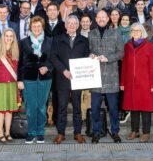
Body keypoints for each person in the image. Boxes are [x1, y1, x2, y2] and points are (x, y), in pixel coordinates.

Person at [50, 15, 89, 144]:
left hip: (78, 79)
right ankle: (61, 133)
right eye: (69, 23)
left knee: (77, 107)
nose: (72, 25)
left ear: (78, 26)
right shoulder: (57, 39)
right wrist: (63, 70)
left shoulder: (84, 40)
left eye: (74, 23)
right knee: (62, 107)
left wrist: (91, 57)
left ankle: (77, 133)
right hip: (62, 78)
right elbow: (53, 57)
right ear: (65, 25)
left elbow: (86, 57)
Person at [89, 10, 124, 143]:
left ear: (108, 18)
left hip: (111, 76)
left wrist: (108, 58)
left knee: (114, 109)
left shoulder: (116, 33)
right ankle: (96, 132)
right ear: (96, 19)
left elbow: (121, 53)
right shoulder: (91, 33)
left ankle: (115, 131)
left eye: (104, 17)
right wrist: (91, 55)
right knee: (95, 108)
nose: (101, 19)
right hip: (95, 77)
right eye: (99, 17)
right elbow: (89, 50)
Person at [120, 23, 153, 143]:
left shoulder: (149, 46)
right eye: (133, 30)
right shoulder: (127, 46)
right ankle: (134, 131)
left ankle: (146, 133)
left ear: (142, 32)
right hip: (131, 82)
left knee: (146, 109)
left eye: (138, 30)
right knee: (133, 108)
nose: (135, 32)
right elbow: (125, 65)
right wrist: (122, 82)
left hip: (145, 82)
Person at [18, 16, 53, 144]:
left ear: (42, 27)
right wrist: (20, 79)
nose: (37, 28)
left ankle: (40, 132)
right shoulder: (23, 42)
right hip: (28, 78)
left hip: (45, 78)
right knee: (31, 107)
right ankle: (31, 132)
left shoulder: (50, 41)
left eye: (39, 26)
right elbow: (20, 62)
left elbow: (54, 59)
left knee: (42, 107)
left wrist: (47, 67)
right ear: (30, 28)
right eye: (34, 26)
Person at [0, 28, 20, 143]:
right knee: (1, 110)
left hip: (11, 84)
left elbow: (17, 69)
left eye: (11, 36)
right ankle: (0, 133)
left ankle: (7, 133)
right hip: (0, 84)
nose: (9, 38)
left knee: (9, 111)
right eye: (7, 36)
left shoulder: (15, 50)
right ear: (3, 36)